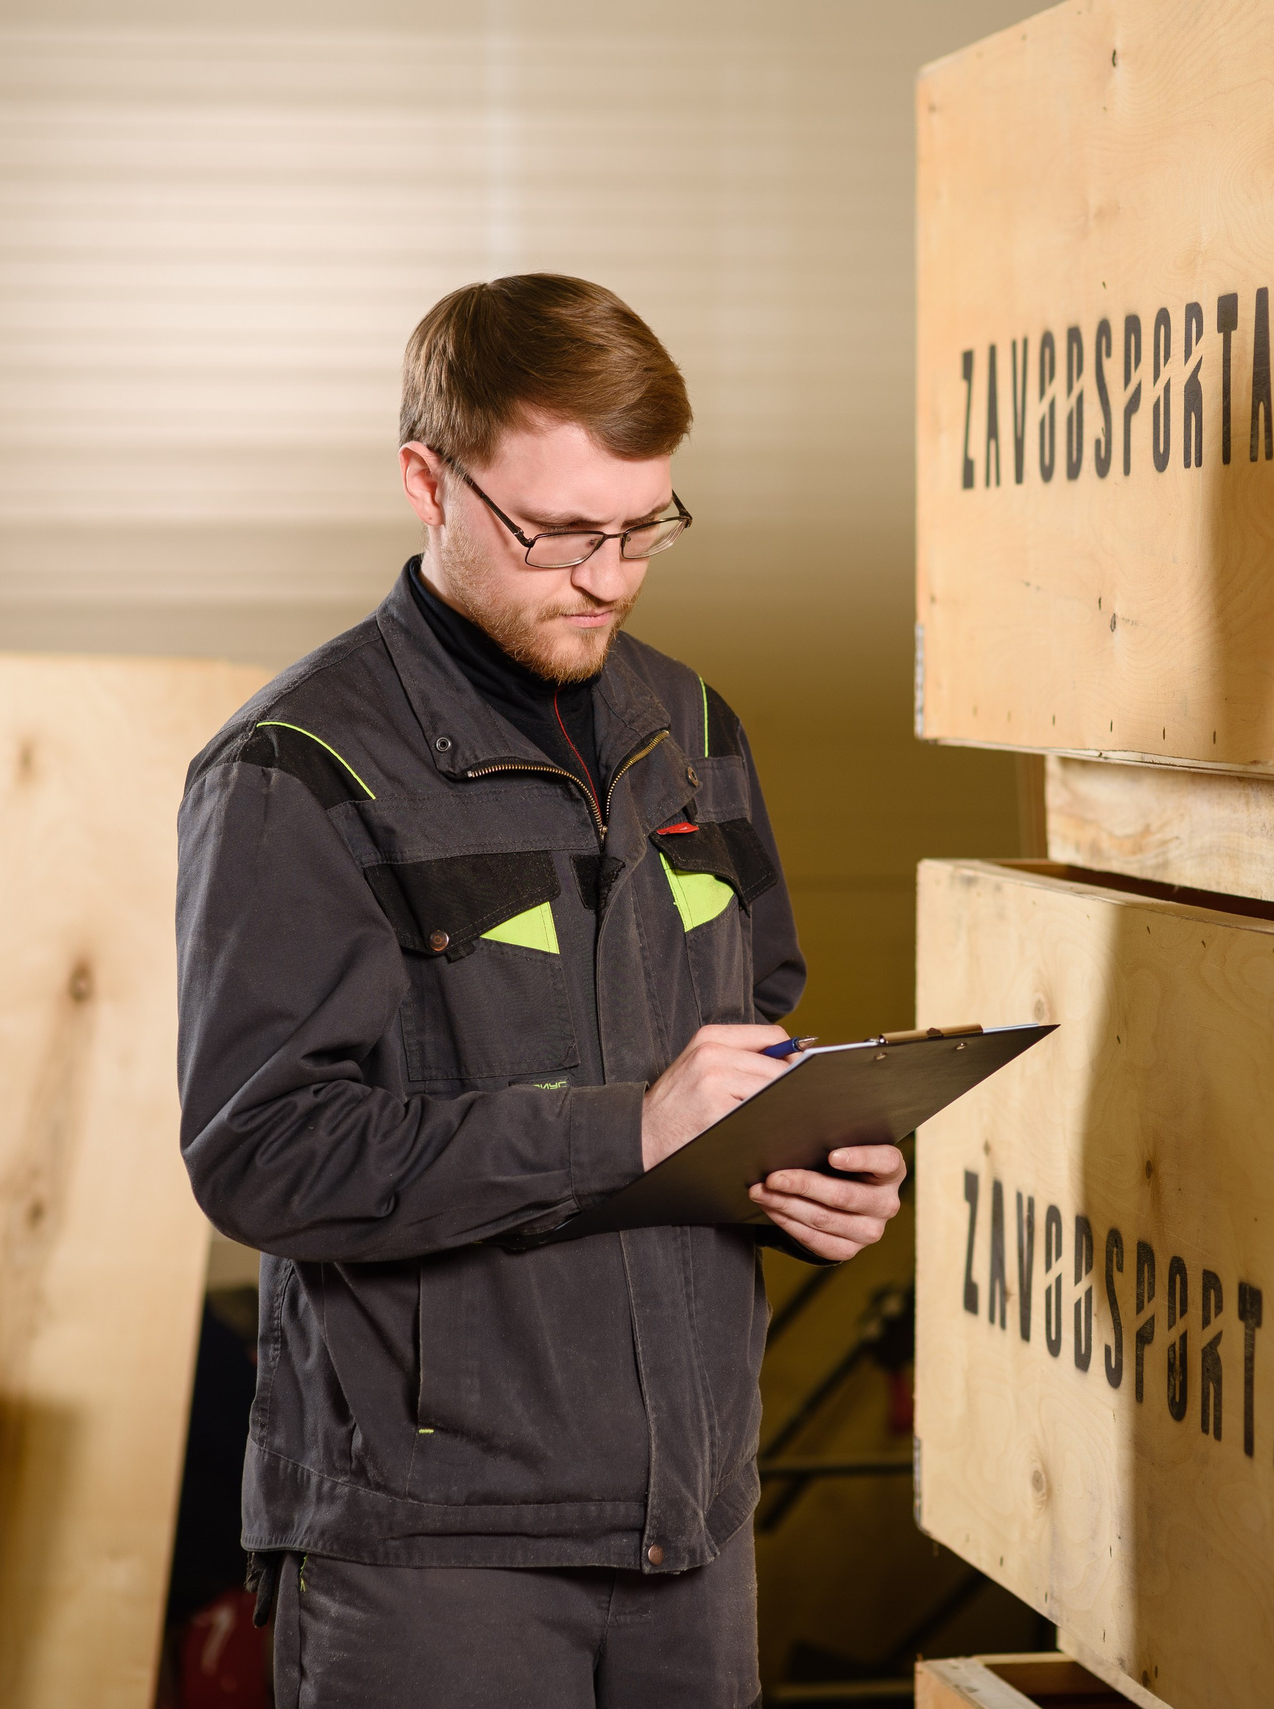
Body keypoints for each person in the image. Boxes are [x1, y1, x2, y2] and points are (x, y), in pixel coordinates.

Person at [175, 274, 906, 1708]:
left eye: (644, 528)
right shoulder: (299, 772)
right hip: (433, 1567)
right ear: (425, 482)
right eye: (562, 531)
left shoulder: (695, 735)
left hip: (688, 1531)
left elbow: (759, 1038)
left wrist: (826, 1167)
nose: (611, 575)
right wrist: (624, 1126)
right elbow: (264, 1155)